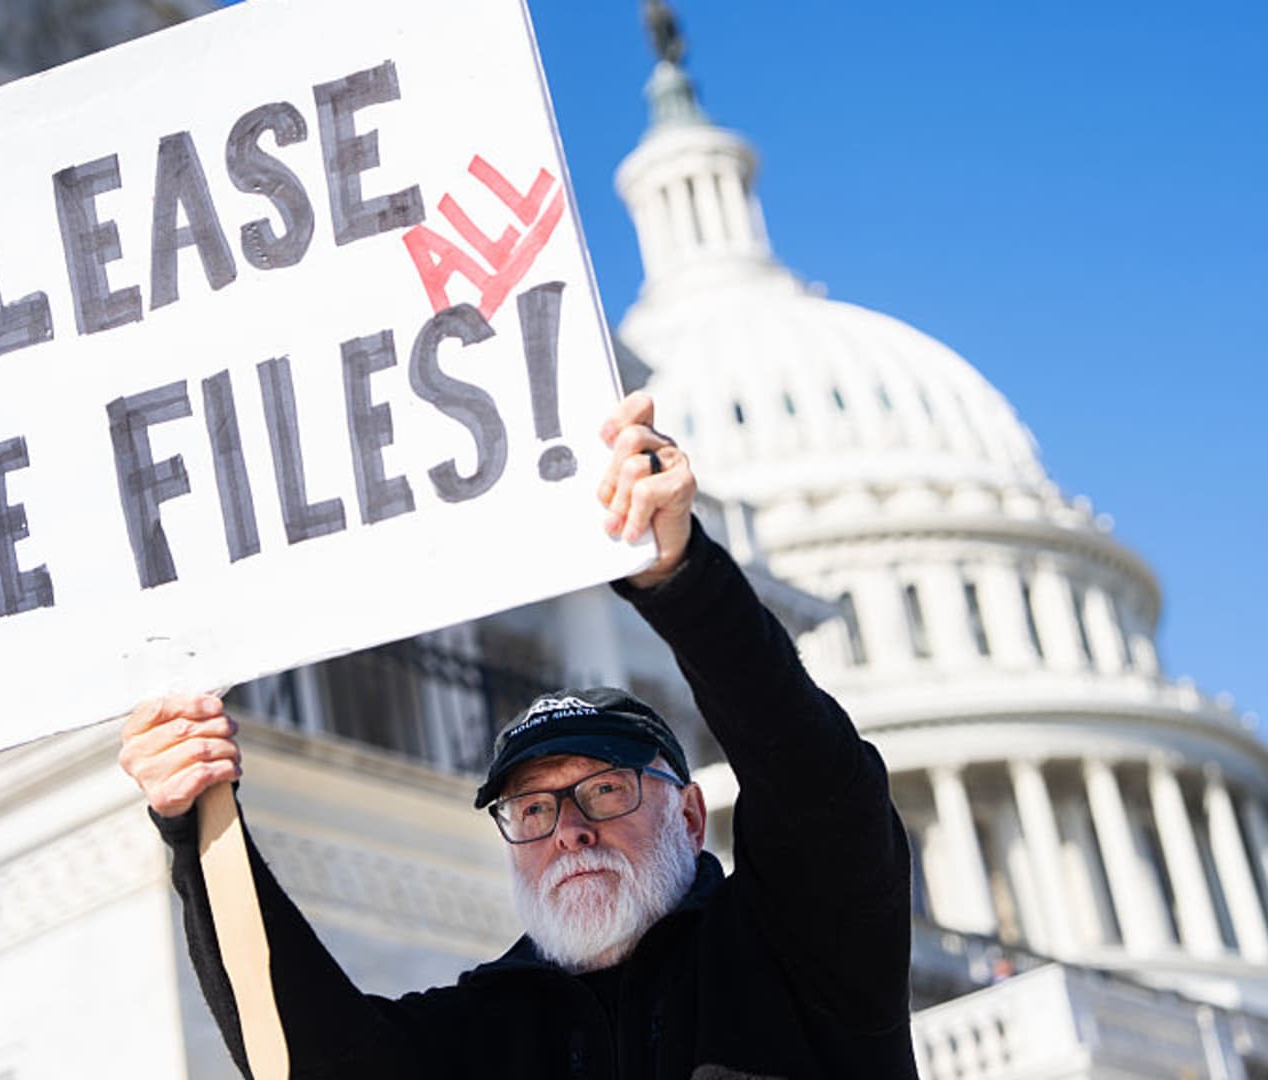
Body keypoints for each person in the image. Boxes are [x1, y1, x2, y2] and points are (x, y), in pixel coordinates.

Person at [118, 392, 918, 1078]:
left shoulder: (801, 949)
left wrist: (680, 579)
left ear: (688, 816)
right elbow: (301, 1054)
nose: (567, 831)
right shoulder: (485, 1031)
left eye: (604, 790)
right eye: (530, 810)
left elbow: (820, 787)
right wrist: (193, 817)